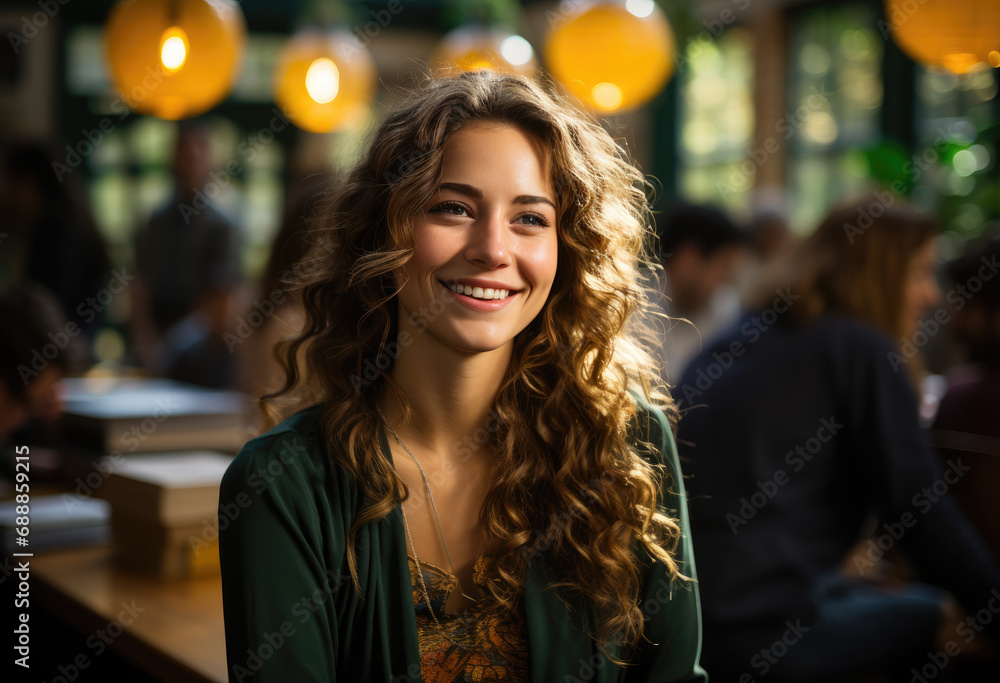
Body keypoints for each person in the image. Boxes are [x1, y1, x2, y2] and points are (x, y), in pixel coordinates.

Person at [218, 70, 707, 683]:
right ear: (382, 233)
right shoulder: (284, 485)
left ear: (567, 249)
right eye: (453, 208)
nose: (492, 249)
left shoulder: (627, 442)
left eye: (530, 218)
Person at [675, 201, 1000, 681]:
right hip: (761, 635)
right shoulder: (859, 347)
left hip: (686, 626)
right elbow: (922, 514)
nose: (932, 295)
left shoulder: (746, 333)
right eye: (917, 273)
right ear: (878, 277)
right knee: (945, 619)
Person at [130, 120, 243, 387]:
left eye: (198, 152)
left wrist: (176, 346)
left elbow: (222, 298)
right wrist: (147, 341)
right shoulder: (156, 222)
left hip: (198, 347)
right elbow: (138, 285)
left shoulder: (221, 225)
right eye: (184, 152)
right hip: (155, 336)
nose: (191, 160)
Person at [645, 203, 746, 384]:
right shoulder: (628, 310)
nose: (726, 281)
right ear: (688, 260)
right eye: (723, 267)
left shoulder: (726, 311)